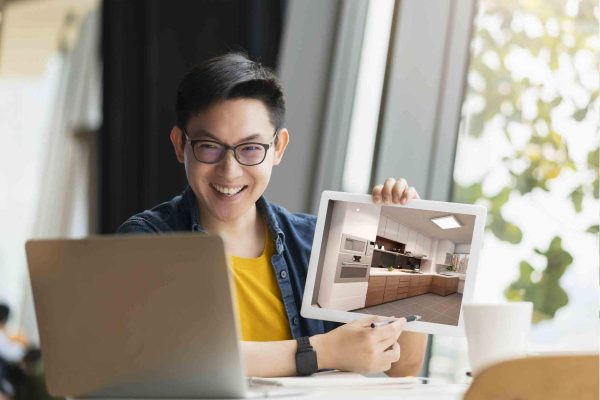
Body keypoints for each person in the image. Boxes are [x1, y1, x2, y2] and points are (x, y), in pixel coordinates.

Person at [118, 52, 427, 377]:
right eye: (210, 146)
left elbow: (403, 368)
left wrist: (403, 233)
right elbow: (164, 359)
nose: (230, 170)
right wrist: (323, 352)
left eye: (250, 148)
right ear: (180, 144)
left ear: (277, 148)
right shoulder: (146, 241)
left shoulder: (317, 242)